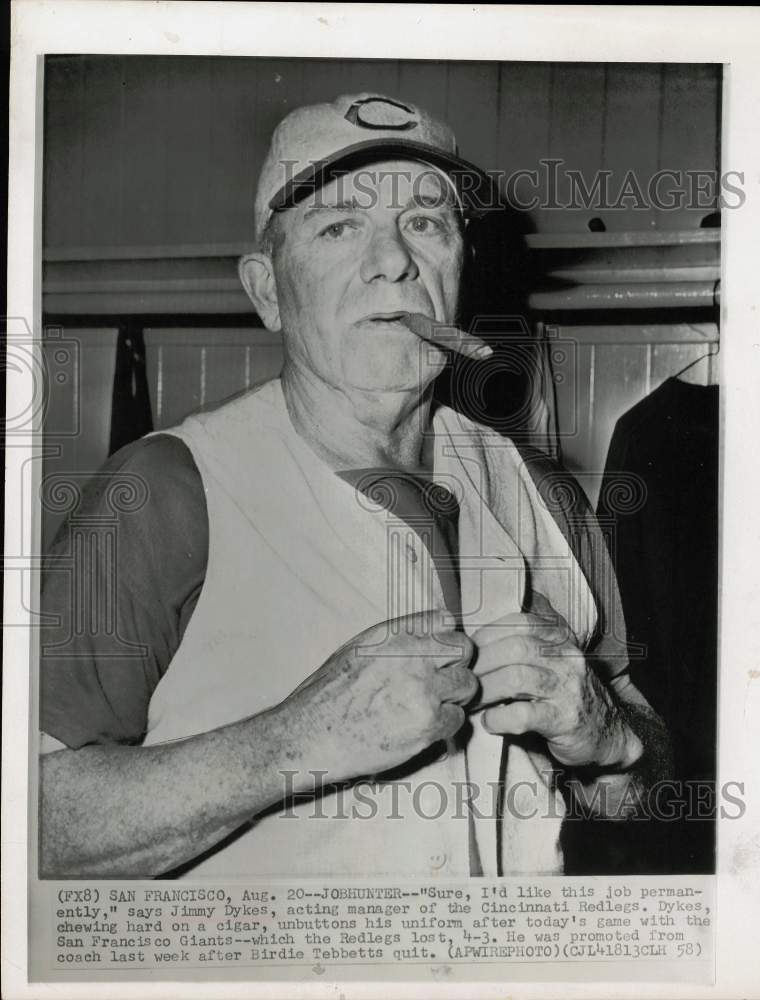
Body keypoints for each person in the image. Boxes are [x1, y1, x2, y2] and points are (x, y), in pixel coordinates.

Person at [39, 93, 670, 880]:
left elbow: (642, 794)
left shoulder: (543, 495)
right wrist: (293, 742)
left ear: (460, 271)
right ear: (267, 290)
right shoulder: (165, 490)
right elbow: (28, 826)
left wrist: (608, 738)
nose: (393, 260)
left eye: (426, 223)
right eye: (339, 226)